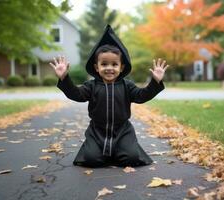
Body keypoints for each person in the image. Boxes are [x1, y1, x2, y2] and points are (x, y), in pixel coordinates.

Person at [49, 25, 169, 168]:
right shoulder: (91, 86)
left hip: (123, 131)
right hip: (97, 131)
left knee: (132, 158)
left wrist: (156, 82)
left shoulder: (127, 86)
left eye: (114, 64)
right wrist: (64, 78)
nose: (109, 68)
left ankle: (118, 152)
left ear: (121, 67)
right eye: (104, 64)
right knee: (91, 159)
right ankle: (103, 153)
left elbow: (142, 96)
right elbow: (76, 94)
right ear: (96, 67)